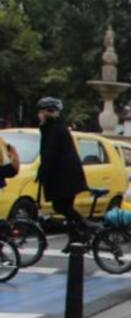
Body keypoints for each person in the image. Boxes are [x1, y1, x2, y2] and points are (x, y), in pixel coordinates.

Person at [35, 97, 88, 238]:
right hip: (67, 177)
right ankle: (75, 238)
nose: (38, 115)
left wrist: (42, 172)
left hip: (66, 178)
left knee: (61, 206)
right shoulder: (56, 127)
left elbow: (50, 153)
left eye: (41, 112)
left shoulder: (54, 129)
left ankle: (84, 228)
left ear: (48, 112)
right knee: (65, 207)